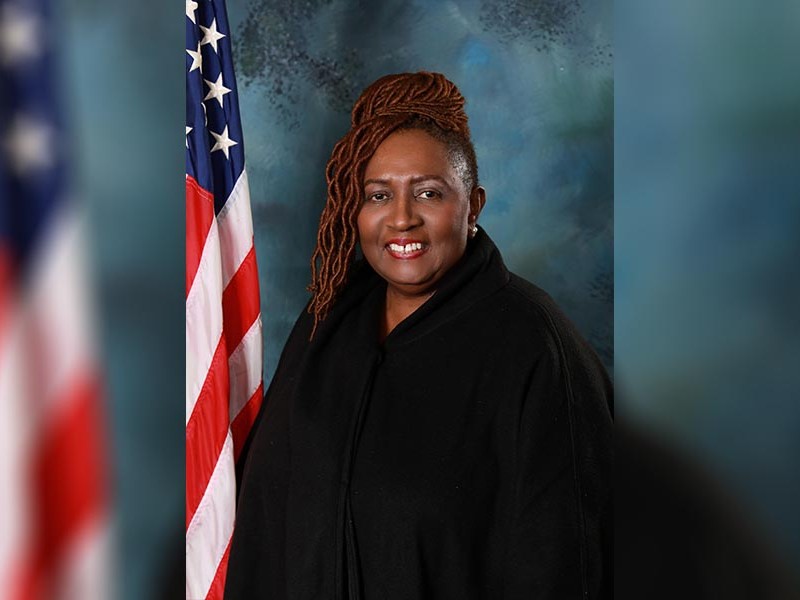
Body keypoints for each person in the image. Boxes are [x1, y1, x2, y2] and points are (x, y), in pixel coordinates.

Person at [224, 71, 613, 599]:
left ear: (472, 206)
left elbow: (567, 572)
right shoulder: (327, 323)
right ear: (352, 208)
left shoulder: (538, 353)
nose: (401, 219)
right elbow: (268, 514)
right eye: (377, 195)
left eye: (428, 193)